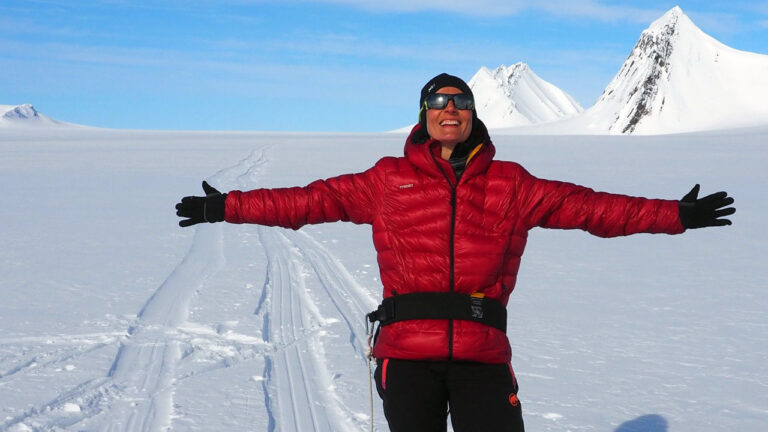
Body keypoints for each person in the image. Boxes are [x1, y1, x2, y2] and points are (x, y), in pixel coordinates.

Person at [175, 73, 735, 432]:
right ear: (423, 116)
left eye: (461, 104)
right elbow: (308, 201)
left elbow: (592, 209)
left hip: (482, 355)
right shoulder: (385, 180)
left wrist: (676, 216)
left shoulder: (512, 183)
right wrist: (227, 207)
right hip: (408, 353)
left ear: (473, 116)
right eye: (439, 104)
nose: (450, 111)